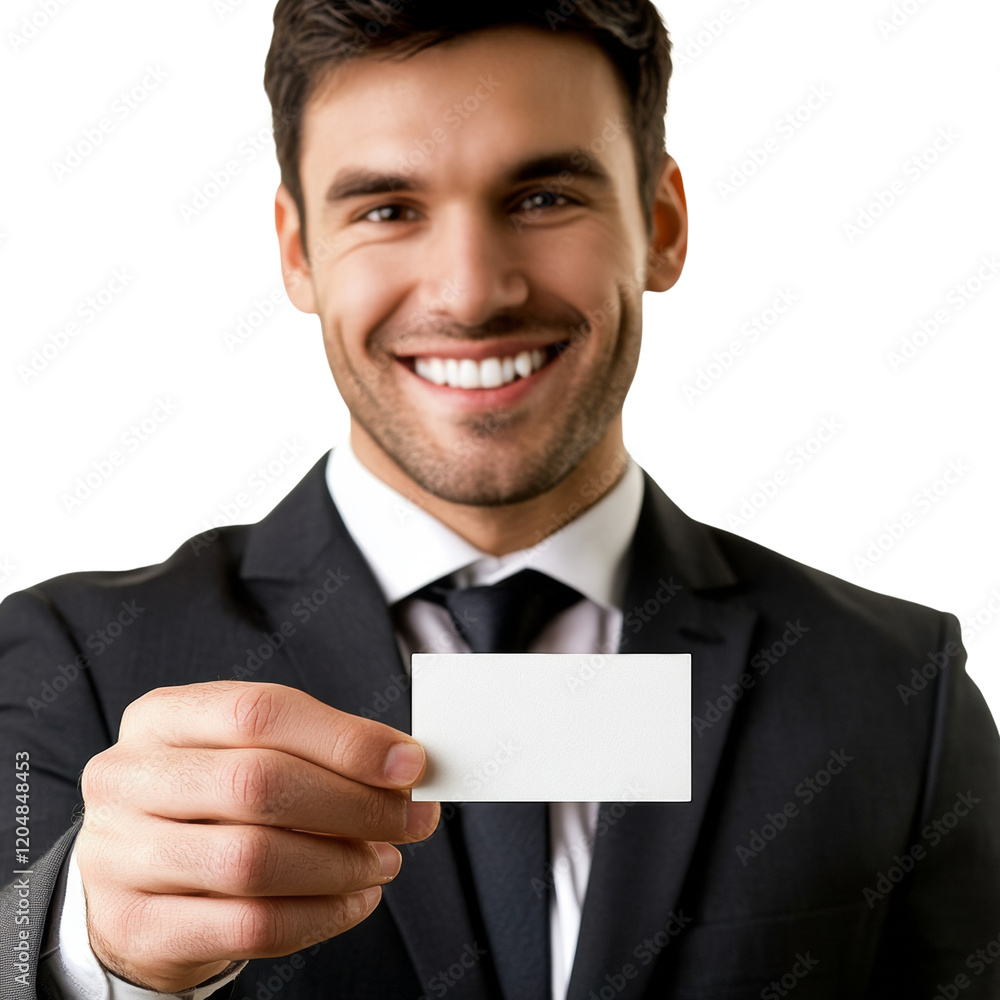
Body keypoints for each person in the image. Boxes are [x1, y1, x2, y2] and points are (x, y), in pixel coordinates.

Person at [2, 2, 999, 998]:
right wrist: (82, 948)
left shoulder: (898, 687)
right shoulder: (68, 659)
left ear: (660, 222)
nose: (472, 292)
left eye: (542, 197)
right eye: (387, 209)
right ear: (298, 250)